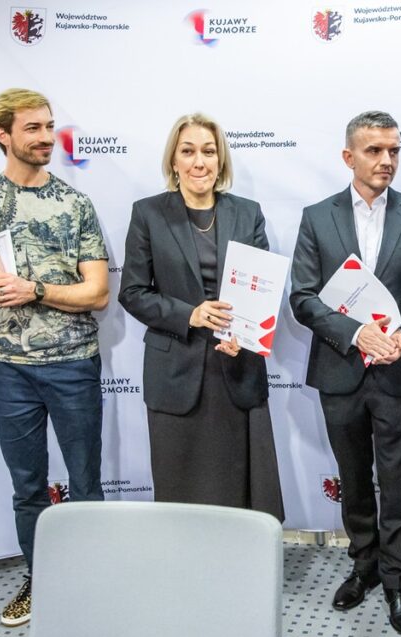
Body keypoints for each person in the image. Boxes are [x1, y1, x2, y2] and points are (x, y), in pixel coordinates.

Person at [0, 88, 109, 627]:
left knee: (86, 483)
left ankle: (91, 583)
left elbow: (97, 293)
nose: (46, 137)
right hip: (7, 369)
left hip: (73, 364)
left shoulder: (75, 204)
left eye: (49, 127)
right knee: (28, 487)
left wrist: (37, 290)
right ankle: (39, 578)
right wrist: (14, 286)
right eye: (33, 128)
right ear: (4, 134)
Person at [289, 111, 401, 635]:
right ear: (348, 157)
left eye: (394, 150)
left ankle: (398, 582)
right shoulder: (316, 216)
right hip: (340, 369)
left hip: (398, 370)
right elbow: (301, 297)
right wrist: (355, 334)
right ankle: (364, 566)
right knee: (353, 480)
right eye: (374, 151)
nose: (387, 160)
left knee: (396, 483)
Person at [119, 113, 283, 521]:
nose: (199, 162)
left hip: (236, 365)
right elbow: (133, 292)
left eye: (208, 152)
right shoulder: (148, 214)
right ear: (174, 161)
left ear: (220, 159)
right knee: (182, 488)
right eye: (188, 151)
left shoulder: (248, 213)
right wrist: (189, 314)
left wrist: (244, 335)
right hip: (176, 370)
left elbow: (264, 288)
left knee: (240, 488)